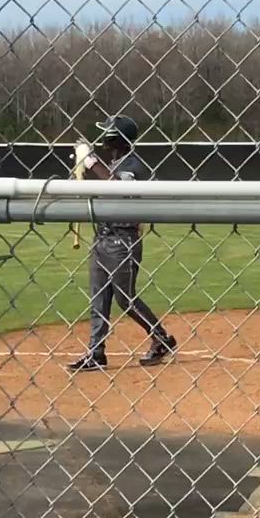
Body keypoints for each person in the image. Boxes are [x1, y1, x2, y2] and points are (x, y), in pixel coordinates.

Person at [65, 115, 178, 372]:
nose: (103, 139)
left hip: (122, 241)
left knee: (125, 299)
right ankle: (96, 353)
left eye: (107, 134)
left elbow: (118, 188)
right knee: (99, 299)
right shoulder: (115, 164)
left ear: (117, 138)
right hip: (102, 237)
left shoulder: (132, 166)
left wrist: (91, 161)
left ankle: (161, 338)